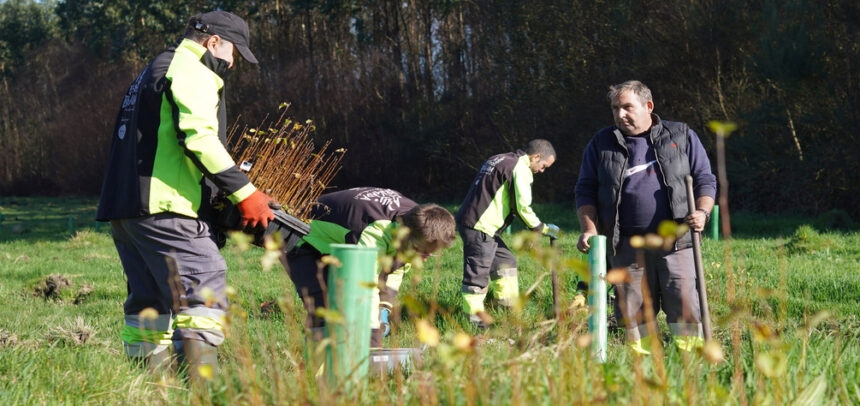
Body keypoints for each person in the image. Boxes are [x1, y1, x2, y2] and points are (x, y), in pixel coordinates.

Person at [96, 11, 275, 379]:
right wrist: (246, 193)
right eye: (232, 52)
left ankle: (151, 392)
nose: (231, 62)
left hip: (126, 211)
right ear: (212, 42)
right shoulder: (192, 70)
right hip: (167, 208)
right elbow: (199, 137)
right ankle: (199, 393)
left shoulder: (151, 71)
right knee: (204, 288)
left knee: (150, 305)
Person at [574, 80, 716, 354]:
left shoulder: (681, 135)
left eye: (627, 107)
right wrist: (589, 228)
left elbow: (705, 179)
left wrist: (703, 212)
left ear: (648, 106)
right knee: (632, 306)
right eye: (615, 109)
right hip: (626, 244)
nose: (620, 114)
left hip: (677, 242)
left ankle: (690, 359)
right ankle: (641, 363)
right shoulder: (602, 143)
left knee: (683, 300)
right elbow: (585, 189)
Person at [282, 187, 456, 347]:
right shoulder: (374, 230)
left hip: (340, 242)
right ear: (405, 233)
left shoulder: (418, 220)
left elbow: (395, 267)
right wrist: (373, 338)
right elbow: (366, 283)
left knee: (348, 310)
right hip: (301, 237)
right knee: (324, 307)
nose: (424, 260)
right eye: (421, 252)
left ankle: (347, 361)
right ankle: (318, 370)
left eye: (430, 253)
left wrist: (384, 308)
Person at [456, 139, 560, 327]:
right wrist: (541, 228)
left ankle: (506, 311)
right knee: (477, 274)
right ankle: (474, 322)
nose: (542, 171)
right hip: (480, 226)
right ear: (536, 157)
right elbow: (522, 207)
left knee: (506, 262)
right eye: (544, 166)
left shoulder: (499, 159)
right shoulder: (520, 168)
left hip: (478, 223)